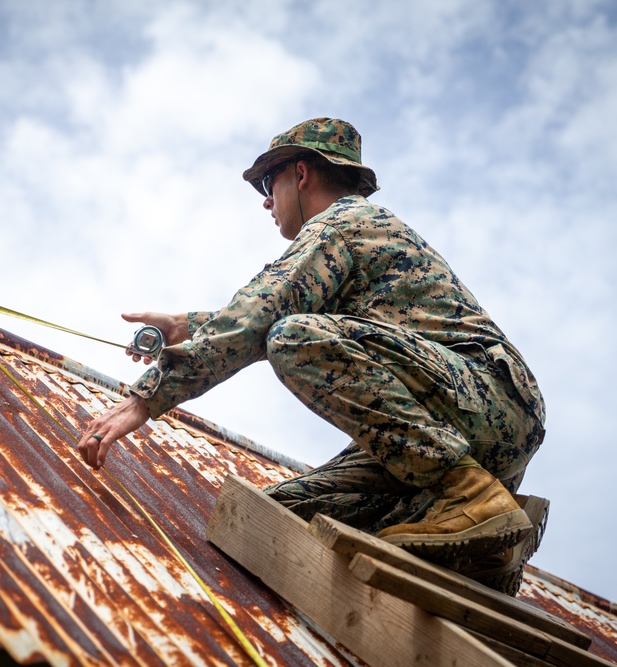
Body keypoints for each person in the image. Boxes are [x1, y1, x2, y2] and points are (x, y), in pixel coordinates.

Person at [78, 118, 546, 583]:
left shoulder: (342, 223)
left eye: (269, 181)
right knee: (280, 513)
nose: (266, 200)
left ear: (301, 174)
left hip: (485, 397)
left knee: (292, 338)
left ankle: (469, 495)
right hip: (463, 423)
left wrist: (144, 400)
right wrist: (187, 325)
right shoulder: (357, 233)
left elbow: (262, 315)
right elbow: (260, 313)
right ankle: (483, 548)